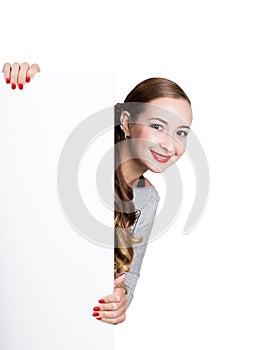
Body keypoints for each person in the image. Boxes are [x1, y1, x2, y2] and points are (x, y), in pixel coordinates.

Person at [2, 63, 193, 325]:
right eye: (158, 126)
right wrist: (29, 90)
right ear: (126, 122)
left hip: (65, 320)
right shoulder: (82, 161)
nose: (170, 144)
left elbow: (131, 274)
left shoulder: (148, 198)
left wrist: (120, 297)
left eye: (181, 132)